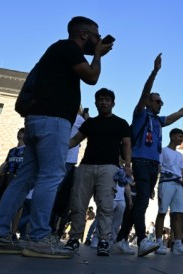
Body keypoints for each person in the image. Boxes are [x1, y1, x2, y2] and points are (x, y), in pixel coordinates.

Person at [0, 16, 112, 259]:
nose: (98, 40)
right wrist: (98, 55)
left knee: (25, 178)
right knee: (51, 176)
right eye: (95, 35)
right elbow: (92, 77)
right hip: (54, 121)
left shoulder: (56, 50)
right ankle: (38, 238)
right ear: (83, 34)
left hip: (37, 121)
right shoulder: (69, 48)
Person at [118, 53, 183, 257]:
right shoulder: (141, 114)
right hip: (140, 161)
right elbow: (144, 93)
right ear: (149, 102)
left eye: (161, 102)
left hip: (153, 166)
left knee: (142, 202)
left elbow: (179, 113)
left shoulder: (159, 121)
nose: (160, 104)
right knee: (142, 202)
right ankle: (142, 240)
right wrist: (154, 72)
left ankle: (121, 239)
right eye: (157, 101)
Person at [64, 88, 131, 257]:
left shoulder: (121, 123)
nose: (104, 102)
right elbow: (75, 140)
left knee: (106, 205)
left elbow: (126, 144)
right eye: (100, 99)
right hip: (86, 165)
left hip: (109, 167)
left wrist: (128, 165)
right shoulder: (90, 123)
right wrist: (58, 144)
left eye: (107, 100)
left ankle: (103, 240)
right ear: (96, 103)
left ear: (113, 103)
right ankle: (74, 239)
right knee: (78, 203)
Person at [154, 128, 183, 256]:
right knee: (162, 211)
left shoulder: (180, 155)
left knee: (179, 213)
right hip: (166, 182)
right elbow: (158, 168)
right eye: (180, 137)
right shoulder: (163, 151)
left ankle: (178, 244)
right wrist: (153, 185)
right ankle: (158, 242)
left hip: (179, 185)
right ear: (173, 136)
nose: (181, 139)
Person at [50, 108, 87, 238]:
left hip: (57, 155)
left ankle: (50, 226)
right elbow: (89, 129)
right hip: (69, 159)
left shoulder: (62, 115)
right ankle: (52, 228)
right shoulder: (80, 120)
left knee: (53, 190)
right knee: (59, 193)